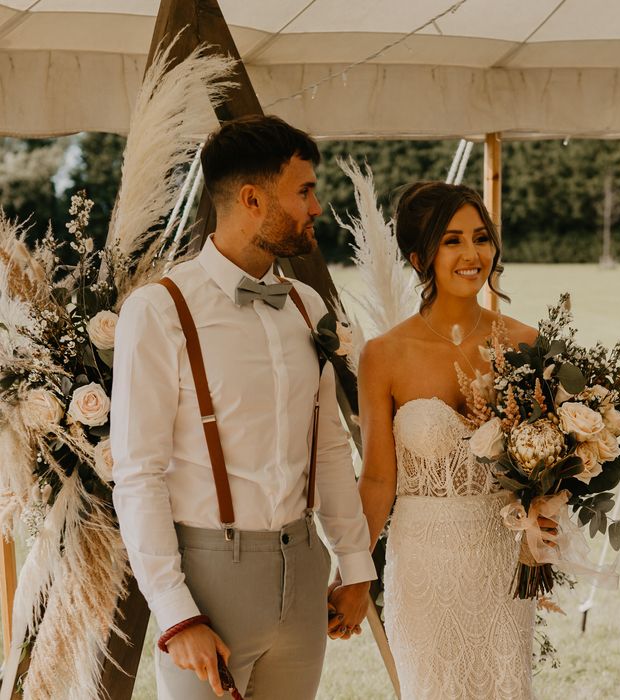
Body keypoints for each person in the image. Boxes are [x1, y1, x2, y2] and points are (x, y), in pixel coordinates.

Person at [111, 115, 376, 699]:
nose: (317, 207)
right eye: (304, 191)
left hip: (303, 571)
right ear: (252, 199)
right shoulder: (159, 312)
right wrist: (178, 613)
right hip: (209, 579)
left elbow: (328, 444)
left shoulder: (305, 305)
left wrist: (355, 564)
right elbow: (137, 474)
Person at [330, 182, 550, 699]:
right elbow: (380, 479)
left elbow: (548, 460)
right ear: (419, 257)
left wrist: (549, 507)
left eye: (480, 237)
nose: (472, 254)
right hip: (423, 565)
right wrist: (356, 572)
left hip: (502, 562)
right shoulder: (384, 355)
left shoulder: (525, 343)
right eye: (452, 241)